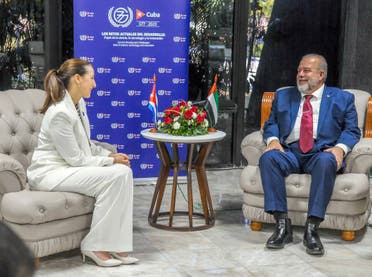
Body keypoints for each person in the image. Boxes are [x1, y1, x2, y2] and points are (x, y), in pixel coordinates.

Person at [27, 58, 138, 267]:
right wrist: (109, 162)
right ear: (77, 79)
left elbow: (85, 145)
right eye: (92, 78)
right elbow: (76, 159)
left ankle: (114, 243)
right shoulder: (60, 112)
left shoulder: (79, 105)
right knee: (117, 174)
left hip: (68, 168)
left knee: (123, 173)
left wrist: (109, 157)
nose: (95, 84)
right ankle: (95, 245)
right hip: (49, 174)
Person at [259, 54, 360, 256]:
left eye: (306, 71)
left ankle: (312, 228)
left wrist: (340, 148)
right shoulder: (284, 95)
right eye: (299, 70)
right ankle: (281, 225)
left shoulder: (342, 98)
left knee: (327, 161)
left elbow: (352, 130)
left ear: (321, 75)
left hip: (321, 152)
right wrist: (274, 140)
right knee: (268, 158)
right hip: (290, 151)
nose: (300, 75)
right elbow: (271, 124)